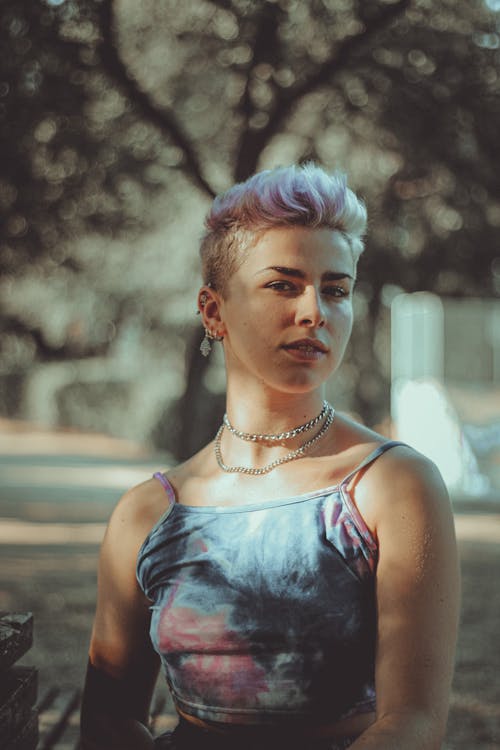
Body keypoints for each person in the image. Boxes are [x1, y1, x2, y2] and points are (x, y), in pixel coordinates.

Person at [80, 163, 460, 750]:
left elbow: (413, 722)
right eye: (283, 284)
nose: (315, 311)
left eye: (335, 289)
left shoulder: (391, 485)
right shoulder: (147, 513)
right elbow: (107, 721)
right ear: (213, 311)